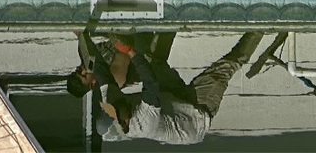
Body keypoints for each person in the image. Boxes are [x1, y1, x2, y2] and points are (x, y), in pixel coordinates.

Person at [71, 30, 264, 144]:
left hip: (169, 98)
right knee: (227, 66)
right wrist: (130, 51)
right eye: (119, 113)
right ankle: (260, 27)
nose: (117, 106)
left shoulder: (110, 101)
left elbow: (99, 66)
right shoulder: (144, 121)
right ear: (126, 123)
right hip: (197, 114)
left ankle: (170, 19)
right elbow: (150, 82)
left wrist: (82, 35)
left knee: (154, 62)